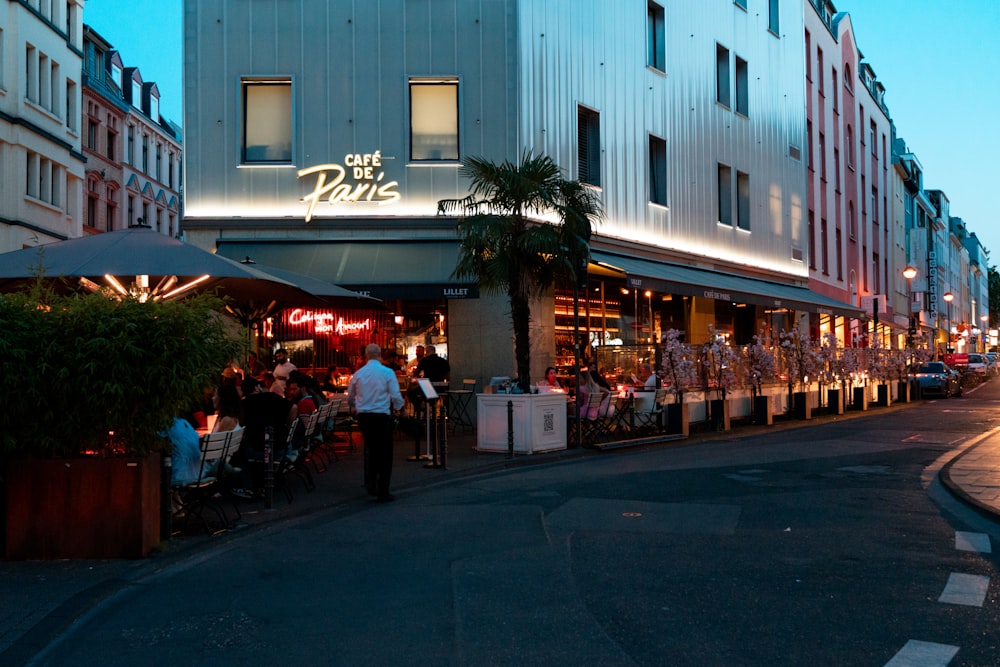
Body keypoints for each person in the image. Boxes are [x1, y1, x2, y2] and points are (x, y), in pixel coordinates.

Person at [348, 343, 404, 503]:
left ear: (366, 356)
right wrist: (401, 409)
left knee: (371, 450)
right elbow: (395, 394)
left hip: (365, 417)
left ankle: (371, 483)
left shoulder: (358, 374)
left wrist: (354, 407)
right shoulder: (387, 372)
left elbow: (350, 396)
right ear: (380, 355)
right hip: (382, 415)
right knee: (385, 453)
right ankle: (383, 490)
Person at [230, 376, 298, 499]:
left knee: (239, 453)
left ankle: (247, 487)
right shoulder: (272, 397)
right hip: (280, 447)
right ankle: (258, 486)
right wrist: (288, 426)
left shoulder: (244, 404)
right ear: (257, 387)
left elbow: (240, 425)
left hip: (256, 449)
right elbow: (293, 407)